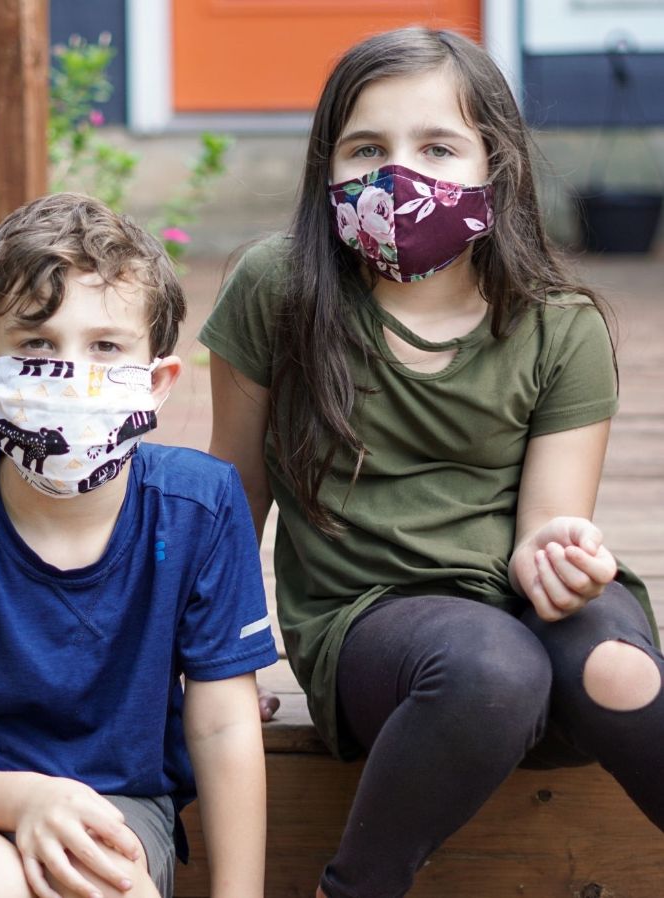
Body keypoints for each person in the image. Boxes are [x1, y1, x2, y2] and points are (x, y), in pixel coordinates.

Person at [200, 26, 663, 898]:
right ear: (325, 168)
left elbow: (547, 534)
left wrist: (561, 558)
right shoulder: (278, 288)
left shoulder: (561, 325)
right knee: (492, 670)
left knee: (619, 667)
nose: (396, 173)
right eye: (365, 148)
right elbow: (232, 489)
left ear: (499, 166)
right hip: (373, 625)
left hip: (524, 612)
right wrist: (209, 662)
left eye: (438, 147)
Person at [0, 192, 278, 898]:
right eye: (37, 345)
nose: (70, 374)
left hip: (119, 806)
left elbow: (226, 727)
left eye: (105, 347)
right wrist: (29, 802)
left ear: (159, 381)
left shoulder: (202, 508)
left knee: (97, 880)